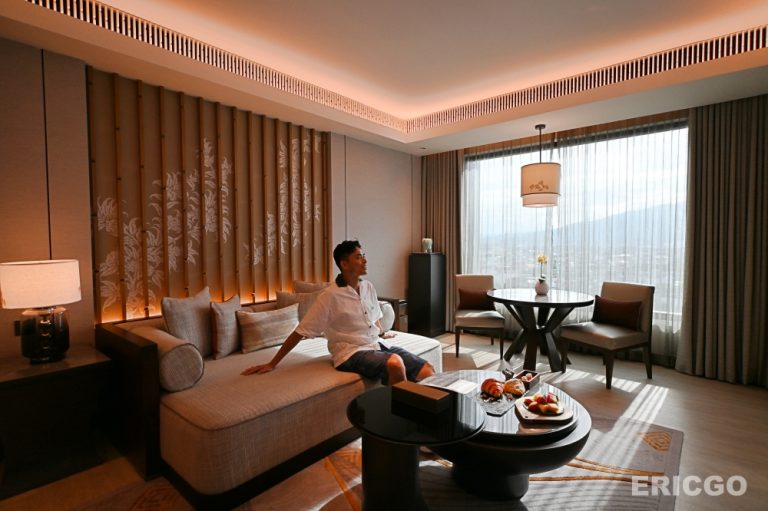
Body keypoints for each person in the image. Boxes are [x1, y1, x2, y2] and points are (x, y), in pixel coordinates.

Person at [242, 240, 435, 385]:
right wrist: (272, 363)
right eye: (358, 257)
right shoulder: (330, 296)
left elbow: (374, 319)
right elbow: (301, 330)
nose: (365, 260)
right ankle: (400, 420)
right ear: (344, 264)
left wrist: (383, 334)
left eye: (364, 255)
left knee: (427, 370)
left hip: (376, 345)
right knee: (395, 363)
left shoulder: (368, 287)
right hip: (350, 352)